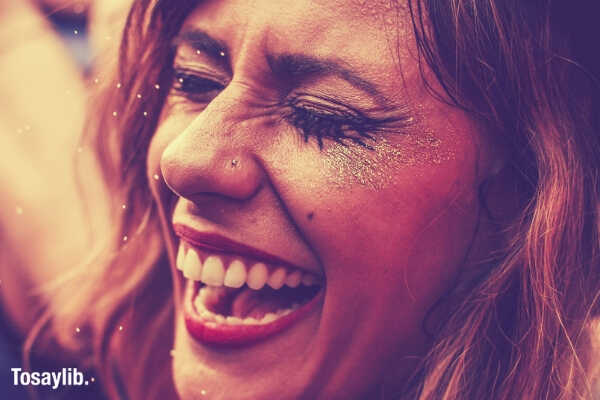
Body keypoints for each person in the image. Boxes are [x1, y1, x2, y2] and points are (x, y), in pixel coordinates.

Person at [28, 0, 600, 399]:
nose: (183, 160)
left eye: (321, 117)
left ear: (533, 193)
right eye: (194, 81)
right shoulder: (118, 343)